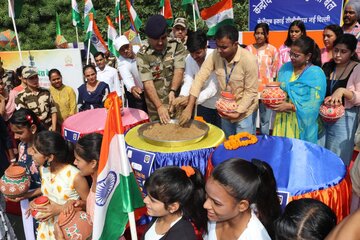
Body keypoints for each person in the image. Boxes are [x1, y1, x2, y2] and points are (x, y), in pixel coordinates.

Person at [179, 24, 259, 137]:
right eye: (217, 46)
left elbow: (251, 92)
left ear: (235, 44)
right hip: (225, 110)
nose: (219, 51)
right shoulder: (216, 55)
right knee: (227, 142)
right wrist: (189, 107)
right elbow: (200, 78)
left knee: (243, 146)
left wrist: (238, 112)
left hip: (244, 111)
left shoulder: (249, 60)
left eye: (224, 47)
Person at [29, 131, 89, 239]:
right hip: (46, 229)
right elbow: (49, 193)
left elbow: (89, 205)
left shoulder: (76, 177)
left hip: (67, 230)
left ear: (50, 157)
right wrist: (36, 203)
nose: (31, 153)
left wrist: (60, 209)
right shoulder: (43, 169)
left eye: (35, 151)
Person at [203, 158, 281, 240]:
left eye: (216, 203)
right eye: (207, 195)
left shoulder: (256, 237)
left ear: (242, 206)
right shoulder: (214, 217)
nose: (205, 205)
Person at [272, 36, 326, 144]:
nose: (292, 57)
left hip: (302, 123)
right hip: (282, 120)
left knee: (299, 156)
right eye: (290, 53)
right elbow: (278, 92)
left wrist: (291, 107)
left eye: (296, 55)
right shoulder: (285, 68)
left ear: (308, 56)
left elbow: (313, 104)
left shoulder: (316, 73)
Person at [136, 14, 186, 123]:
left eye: (163, 38)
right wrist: (159, 106)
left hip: (176, 100)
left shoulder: (176, 45)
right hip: (155, 106)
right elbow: (147, 82)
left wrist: (173, 90)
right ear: (148, 37)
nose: (160, 42)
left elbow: (179, 70)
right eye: (155, 39)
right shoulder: (142, 54)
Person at [320, 34, 360, 165]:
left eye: (343, 52)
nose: (337, 55)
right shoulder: (327, 66)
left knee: (338, 157)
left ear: (353, 52)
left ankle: (337, 185)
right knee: (320, 152)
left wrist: (342, 91)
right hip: (322, 116)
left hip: (344, 118)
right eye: (336, 50)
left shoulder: (357, 68)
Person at [142, 166, 207, 240]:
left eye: (153, 200)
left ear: (173, 207)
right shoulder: (158, 216)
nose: (145, 200)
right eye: (147, 195)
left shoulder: (184, 236)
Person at [9, 108, 45, 240]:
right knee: (31, 233)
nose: (15, 137)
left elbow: (52, 183)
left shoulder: (44, 151)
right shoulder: (22, 146)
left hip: (44, 202)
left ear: (33, 128)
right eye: (14, 133)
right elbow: (23, 167)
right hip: (26, 199)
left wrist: (28, 194)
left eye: (19, 132)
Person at [172, 30, 221, 127]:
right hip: (202, 105)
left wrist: (190, 100)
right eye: (192, 53)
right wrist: (182, 97)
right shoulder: (189, 59)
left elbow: (213, 88)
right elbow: (188, 80)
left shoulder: (216, 57)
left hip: (219, 104)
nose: (195, 56)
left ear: (205, 47)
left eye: (198, 53)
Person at [246, 23, 279, 135]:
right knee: (251, 119)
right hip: (251, 90)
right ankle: (251, 143)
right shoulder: (248, 49)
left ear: (267, 35)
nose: (259, 36)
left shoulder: (273, 50)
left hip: (267, 92)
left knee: (265, 121)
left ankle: (265, 143)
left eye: (262, 33)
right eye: (257, 33)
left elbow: (275, 72)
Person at [115, 35, 147, 112]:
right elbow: (126, 78)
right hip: (138, 93)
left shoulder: (140, 50)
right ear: (119, 52)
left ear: (130, 44)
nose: (125, 51)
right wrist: (132, 87)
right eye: (122, 50)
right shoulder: (121, 63)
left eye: (126, 47)